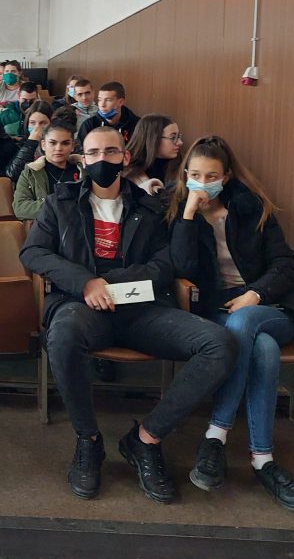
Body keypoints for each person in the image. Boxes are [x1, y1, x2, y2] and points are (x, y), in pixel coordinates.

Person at [20, 127, 237, 504]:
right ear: (82, 159)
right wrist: (86, 282)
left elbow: (168, 263)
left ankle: (145, 440)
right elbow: (33, 252)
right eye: (93, 153)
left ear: (125, 157)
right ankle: (88, 440)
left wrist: (114, 283)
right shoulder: (61, 202)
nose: (101, 159)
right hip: (83, 307)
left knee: (219, 344)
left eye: (110, 151)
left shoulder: (151, 206)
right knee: (62, 334)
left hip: (142, 309)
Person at [168, 136, 294, 512]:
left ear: (227, 177)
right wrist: (188, 215)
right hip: (218, 311)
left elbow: (285, 265)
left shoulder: (253, 209)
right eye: (195, 175)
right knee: (260, 346)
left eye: (211, 176)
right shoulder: (176, 211)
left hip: (269, 308)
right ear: (186, 175)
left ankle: (215, 436)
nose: (202, 183)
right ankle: (263, 460)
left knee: (246, 321)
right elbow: (181, 268)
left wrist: (256, 294)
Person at [12, 121, 79, 221]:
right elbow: (20, 208)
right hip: (46, 227)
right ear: (43, 145)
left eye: (65, 143)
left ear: (72, 146)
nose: (58, 148)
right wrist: (60, 206)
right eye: (52, 143)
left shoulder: (82, 170)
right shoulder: (30, 173)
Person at [124, 114, 183, 195]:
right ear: (153, 139)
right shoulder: (127, 174)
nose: (180, 142)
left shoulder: (183, 168)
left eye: (179, 137)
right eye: (173, 138)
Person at [5, 101, 56, 185]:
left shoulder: (58, 144)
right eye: (32, 123)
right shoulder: (20, 145)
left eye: (43, 123)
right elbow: (12, 174)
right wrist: (31, 143)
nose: (37, 127)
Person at [78, 81, 140, 145]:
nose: (102, 105)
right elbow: (80, 148)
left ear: (120, 102)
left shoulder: (137, 125)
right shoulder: (89, 124)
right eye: (100, 100)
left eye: (108, 100)